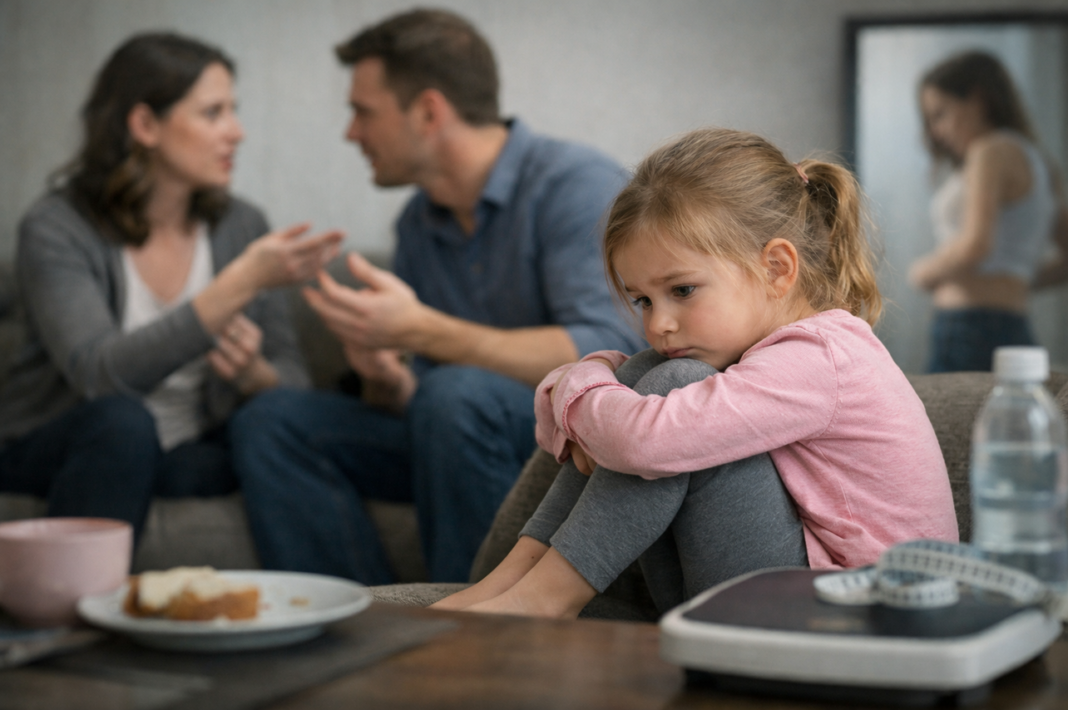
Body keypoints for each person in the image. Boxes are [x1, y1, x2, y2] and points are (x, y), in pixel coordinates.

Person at [433, 128, 959, 619]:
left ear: (776, 268)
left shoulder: (823, 355)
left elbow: (645, 443)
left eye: (682, 290)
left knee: (671, 386)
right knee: (652, 373)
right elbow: (571, 432)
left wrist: (579, 388)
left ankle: (544, 600)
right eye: (642, 300)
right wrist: (593, 386)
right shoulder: (766, 353)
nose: (658, 323)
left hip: (857, 618)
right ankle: (510, 581)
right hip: (783, 597)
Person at [231, 8, 643, 584]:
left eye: (362, 112)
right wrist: (385, 375)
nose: (351, 132)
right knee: (271, 419)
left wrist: (419, 329)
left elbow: (608, 349)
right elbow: (420, 399)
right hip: (448, 429)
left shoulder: (576, 186)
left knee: (456, 395)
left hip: (562, 446)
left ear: (428, 111)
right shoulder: (417, 224)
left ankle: (471, 639)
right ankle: (363, 625)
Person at [0, 33, 342, 539]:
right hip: (68, 438)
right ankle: (69, 615)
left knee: (248, 440)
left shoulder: (240, 225)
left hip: (188, 446)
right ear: (144, 125)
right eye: (213, 113)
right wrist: (240, 282)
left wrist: (255, 376)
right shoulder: (57, 227)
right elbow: (98, 374)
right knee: (123, 424)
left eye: (235, 111)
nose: (237, 132)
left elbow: (294, 383)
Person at [909, 50, 1068, 373]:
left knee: (948, 424)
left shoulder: (989, 151)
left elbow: (975, 246)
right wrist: (1016, 278)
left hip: (969, 327)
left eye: (940, 114)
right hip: (1011, 323)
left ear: (978, 99)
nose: (936, 131)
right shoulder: (1039, 162)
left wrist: (924, 272)